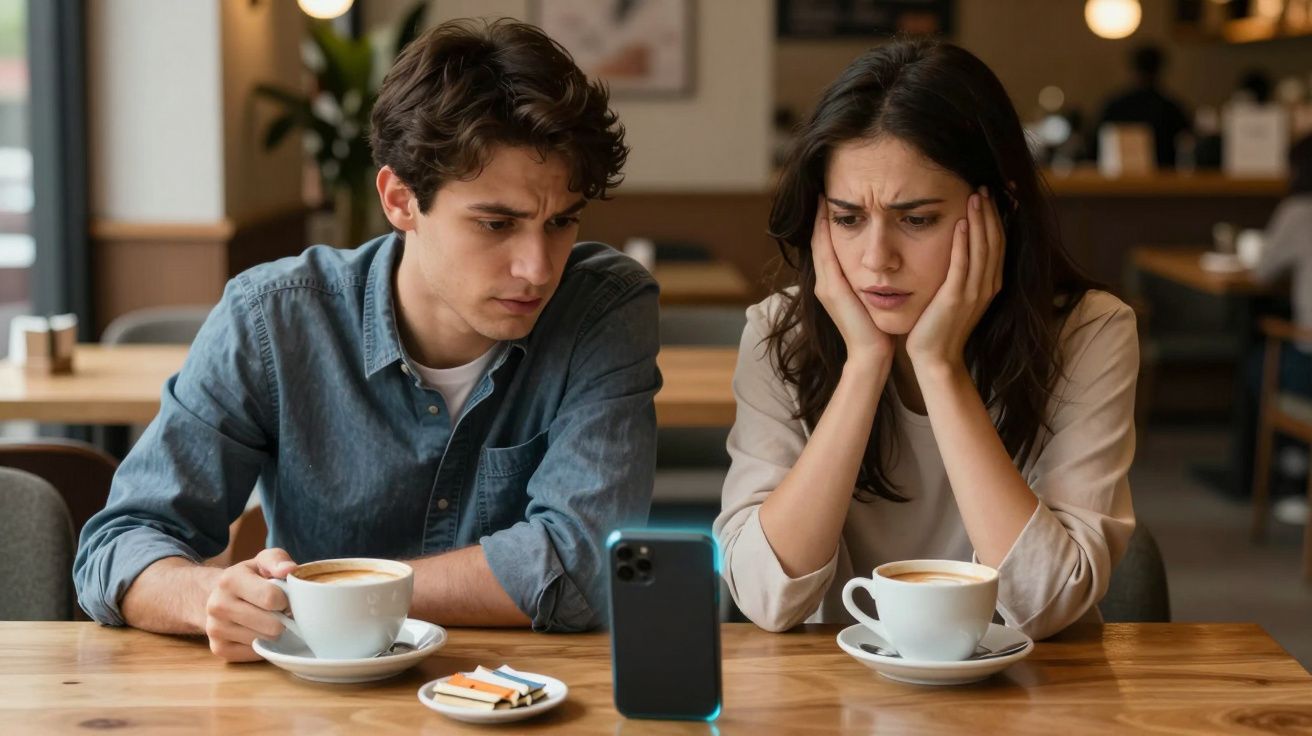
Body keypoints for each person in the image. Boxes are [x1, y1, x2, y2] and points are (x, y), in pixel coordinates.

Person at [74, 19, 660, 661]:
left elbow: (587, 566)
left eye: (562, 222)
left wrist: (332, 592)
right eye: (497, 224)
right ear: (400, 200)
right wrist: (207, 593)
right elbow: (118, 547)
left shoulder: (603, 307)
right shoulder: (274, 319)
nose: (538, 268)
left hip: (531, 702)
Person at [715, 39, 1138, 639]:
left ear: (1001, 211)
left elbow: (1045, 604)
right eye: (847, 218)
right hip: (834, 695)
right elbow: (765, 598)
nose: (876, 260)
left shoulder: (1091, 332)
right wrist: (865, 364)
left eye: (917, 220)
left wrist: (940, 367)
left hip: (1032, 691)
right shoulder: (776, 333)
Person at [1247, 134, 1312, 524]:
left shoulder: (1300, 211)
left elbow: (1261, 271)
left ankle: (1292, 470)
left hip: (1307, 365)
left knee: (1260, 366)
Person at [1093, 45, 1192, 168]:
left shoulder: (1114, 105)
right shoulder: (1171, 108)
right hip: (1163, 180)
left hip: (1117, 181)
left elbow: (1094, 148)